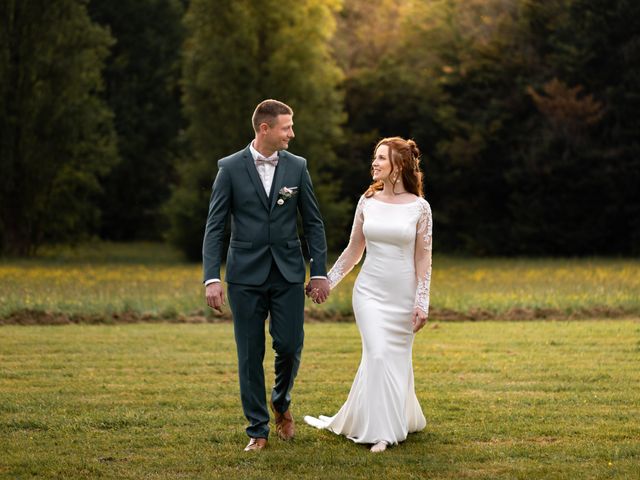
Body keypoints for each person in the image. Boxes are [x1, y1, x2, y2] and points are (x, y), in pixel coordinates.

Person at [202, 99, 330, 452]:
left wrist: (317, 271)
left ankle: (281, 401)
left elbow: (314, 223)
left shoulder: (297, 167)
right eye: (287, 127)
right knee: (249, 353)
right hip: (244, 275)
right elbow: (215, 227)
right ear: (265, 129)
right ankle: (257, 429)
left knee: (289, 346)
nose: (292, 133)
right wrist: (212, 277)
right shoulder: (228, 168)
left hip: (288, 272)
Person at [304, 136, 432, 453]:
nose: (374, 163)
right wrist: (326, 281)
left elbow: (423, 259)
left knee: (394, 359)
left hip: (402, 295)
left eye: (381, 158)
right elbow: (353, 251)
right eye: (374, 158)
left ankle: (394, 417)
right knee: (376, 354)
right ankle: (383, 432)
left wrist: (421, 301)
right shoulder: (367, 202)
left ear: (398, 165)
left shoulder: (420, 208)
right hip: (369, 293)